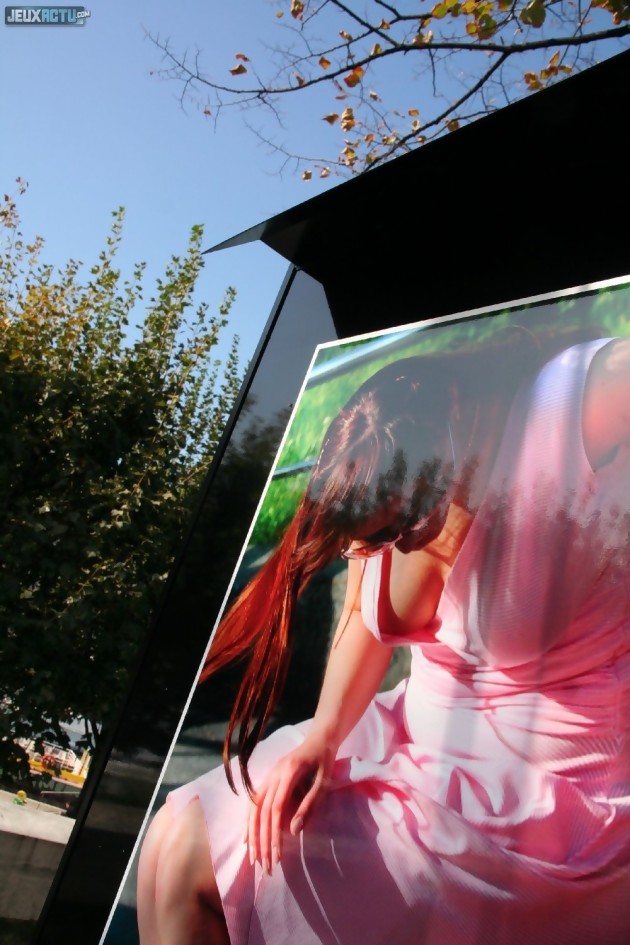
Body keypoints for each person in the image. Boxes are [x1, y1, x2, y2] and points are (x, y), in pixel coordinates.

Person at [136, 329, 630, 945]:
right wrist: (323, 736)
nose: (378, 549)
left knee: (196, 861)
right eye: (366, 542)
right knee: (169, 834)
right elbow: (361, 618)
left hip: (545, 791)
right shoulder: (385, 474)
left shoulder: (564, 410)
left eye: (393, 529)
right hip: (417, 737)